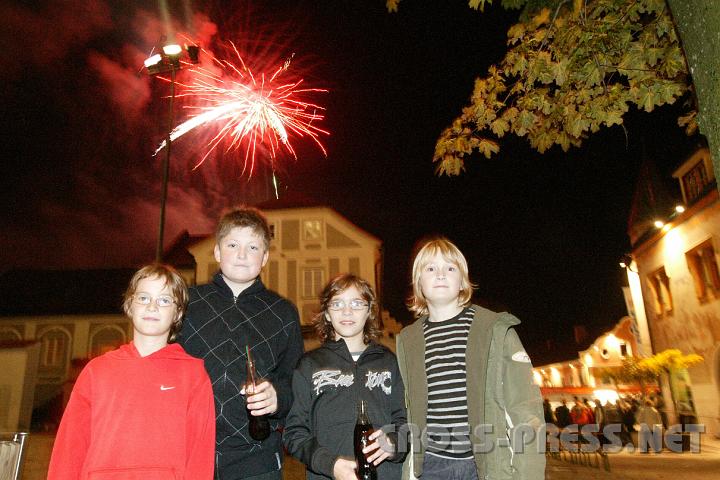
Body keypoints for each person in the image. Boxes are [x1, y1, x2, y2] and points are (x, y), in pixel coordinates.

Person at [48, 264, 215, 479]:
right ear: (130, 305)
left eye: (164, 300)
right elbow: (69, 448)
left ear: (178, 313)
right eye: (143, 298)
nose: (152, 307)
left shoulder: (193, 375)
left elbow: (200, 455)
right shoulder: (96, 371)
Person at [396, 237, 545, 480]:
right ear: (418, 283)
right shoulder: (407, 340)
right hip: (432, 467)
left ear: (463, 281)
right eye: (430, 268)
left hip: (486, 466)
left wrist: (528, 474)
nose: (441, 274)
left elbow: (525, 410)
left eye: (450, 268)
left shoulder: (494, 329)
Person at [180, 207, 304, 480]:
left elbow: (294, 380)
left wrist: (278, 398)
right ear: (216, 252)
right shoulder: (188, 303)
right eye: (232, 244)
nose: (241, 254)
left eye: (253, 247)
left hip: (256, 460)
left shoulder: (283, 313)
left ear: (265, 258)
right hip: (186, 453)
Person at [284, 274, 407, 480]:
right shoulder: (309, 365)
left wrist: (394, 444)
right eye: (337, 303)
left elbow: (407, 423)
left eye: (357, 303)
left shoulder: (388, 362)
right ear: (327, 314)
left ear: (369, 311)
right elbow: (294, 433)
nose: (347, 311)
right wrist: (330, 465)